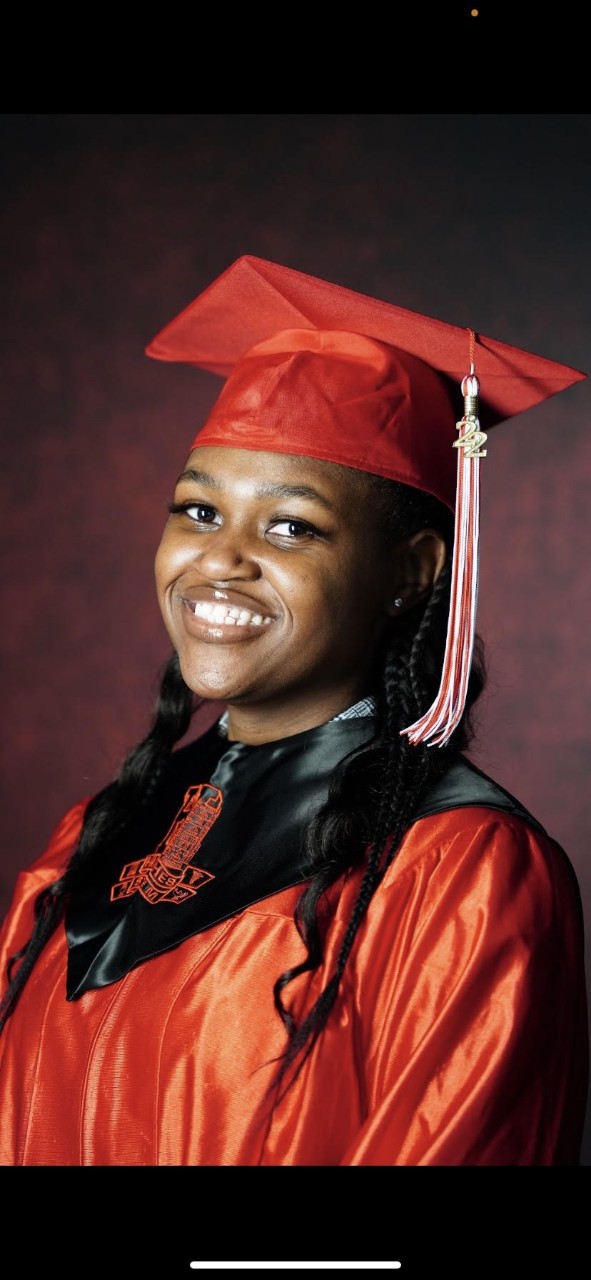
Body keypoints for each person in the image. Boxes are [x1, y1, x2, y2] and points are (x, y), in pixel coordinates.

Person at [0, 254, 588, 1168]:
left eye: (290, 528)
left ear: (412, 572)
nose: (218, 561)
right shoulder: (94, 837)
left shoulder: (459, 871)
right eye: (197, 512)